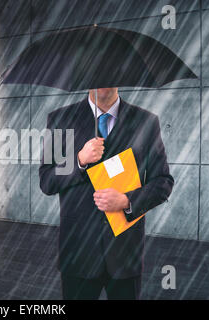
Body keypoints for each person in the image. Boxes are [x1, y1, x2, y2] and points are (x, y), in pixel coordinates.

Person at [39, 87, 174, 300]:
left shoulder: (146, 122)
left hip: (125, 254)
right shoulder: (60, 119)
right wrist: (79, 161)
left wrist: (127, 200)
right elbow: (47, 181)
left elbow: (163, 181)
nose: (104, 78)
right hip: (78, 253)